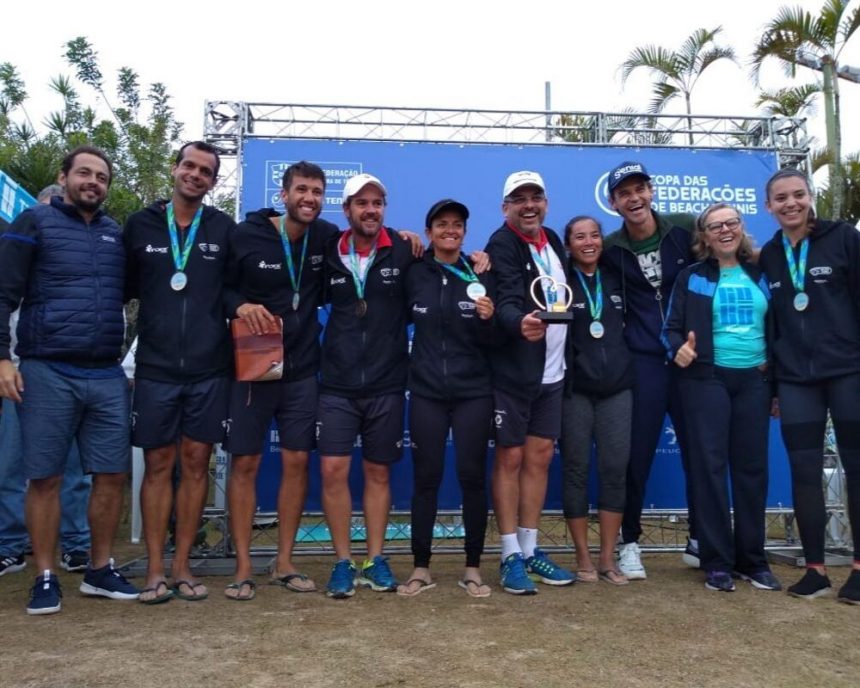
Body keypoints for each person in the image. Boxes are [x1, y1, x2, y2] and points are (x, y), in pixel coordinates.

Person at [0, 146, 138, 615]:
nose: (93, 182)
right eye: (84, 173)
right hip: (47, 368)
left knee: (112, 475)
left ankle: (99, 570)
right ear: (64, 177)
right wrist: (2, 359)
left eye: (101, 177)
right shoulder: (34, 222)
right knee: (45, 477)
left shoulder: (114, 234)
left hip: (105, 372)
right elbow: (3, 292)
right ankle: (45, 575)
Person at [222, 161, 339, 600]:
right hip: (253, 366)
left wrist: (406, 237)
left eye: (317, 192)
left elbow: (367, 245)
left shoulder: (326, 236)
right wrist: (239, 306)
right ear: (284, 194)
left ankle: (284, 562)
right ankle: (243, 566)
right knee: (245, 464)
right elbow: (221, 288)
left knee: (296, 462)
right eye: (302, 190)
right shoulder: (246, 234)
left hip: (302, 369)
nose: (309, 198)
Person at [124, 141, 234, 604]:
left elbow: (235, 287)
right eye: (189, 165)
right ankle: (154, 569)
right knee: (157, 466)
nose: (195, 174)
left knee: (195, 464)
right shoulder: (140, 224)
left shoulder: (223, 228)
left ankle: (183, 566)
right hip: (156, 368)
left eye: (205, 171)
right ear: (175, 169)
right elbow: (122, 287)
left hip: (210, 368)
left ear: (213, 182)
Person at [663, 203, 780, 593]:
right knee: (709, 469)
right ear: (704, 236)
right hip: (706, 380)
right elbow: (670, 329)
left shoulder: (761, 274)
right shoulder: (692, 277)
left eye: (731, 223)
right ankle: (716, 562)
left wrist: (776, 380)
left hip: (755, 381)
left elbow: (781, 327)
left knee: (751, 470)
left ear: (741, 227)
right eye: (716, 226)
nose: (725, 230)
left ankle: (753, 561)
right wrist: (679, 349)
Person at [316, 173, 422, 599]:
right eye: (361, 203)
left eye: (377, 203)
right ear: (346, 210)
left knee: (378, 473)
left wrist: (479, 260)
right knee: (332, 471)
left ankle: (375, 559)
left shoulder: (403, 249)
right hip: (337, 383)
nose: (370, 210)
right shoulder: (328, 249)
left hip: (387, 381)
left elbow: (441, 272)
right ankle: (343, 561)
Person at [758, 169, 860, 602]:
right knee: (803, 472)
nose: (791, 204)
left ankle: (858, 569)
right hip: (796, 379)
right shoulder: (770, 255)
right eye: (781, 198)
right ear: (769, 206)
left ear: (810, 196)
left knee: (856, 467)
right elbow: (772, 322)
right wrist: (775, 386)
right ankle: (815, 569)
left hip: (848, 372)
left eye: (798, 195)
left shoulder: (844, 238)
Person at [600, 161, 696, 580]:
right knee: (635, 457)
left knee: (699, 452)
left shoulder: (685, 228)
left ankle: (702, 537)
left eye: (639, 189)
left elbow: (726, 260)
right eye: (624, 193)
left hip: (690, 360)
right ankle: (630, 542)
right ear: (613, 203)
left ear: (651, 191)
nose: (634, 198)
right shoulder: (610, 248)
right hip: (643, 364)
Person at [398, 199, 496, 598]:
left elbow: (495, 338)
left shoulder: (480, 271)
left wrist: (489, 320)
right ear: (429, 232)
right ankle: (421, 567)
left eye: (457, 224)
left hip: (474, 391)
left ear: (465, 232)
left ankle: (473, 567)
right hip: (426, 391)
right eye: (441, 224)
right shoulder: (414, 272)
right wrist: (401, 237)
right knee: (426, 478)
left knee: (472, 477)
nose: (450, 230)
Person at [485, 170, 575, 594]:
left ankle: (529, 548)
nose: (529, 206)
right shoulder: (502, 244)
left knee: (539, 458)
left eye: (535, 197)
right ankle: (508, 555)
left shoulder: (552, 240)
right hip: (514, 373)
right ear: (506, 207)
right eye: (519, 199)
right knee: (511, 459)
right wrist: (517, 322)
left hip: (553, 373)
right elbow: (504, 299)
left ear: (546, 203)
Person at [0, 185, 92, 578]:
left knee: (72, 468)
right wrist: (6, 362)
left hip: (74, 373)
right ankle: (11, 545)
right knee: (14, 464)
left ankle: (76, 544)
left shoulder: (80, 260)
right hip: (22, 372)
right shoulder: (18, 253)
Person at [559, 216, 633, 585]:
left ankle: (607, 558)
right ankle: (583, 557)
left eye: (594, 235)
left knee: (615, 470)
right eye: (579, 237)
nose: (588, 242)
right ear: (568, 245)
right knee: (575, 469)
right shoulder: (560, 280)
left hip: (618, 388)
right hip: (575, 391)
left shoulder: (618, 276)